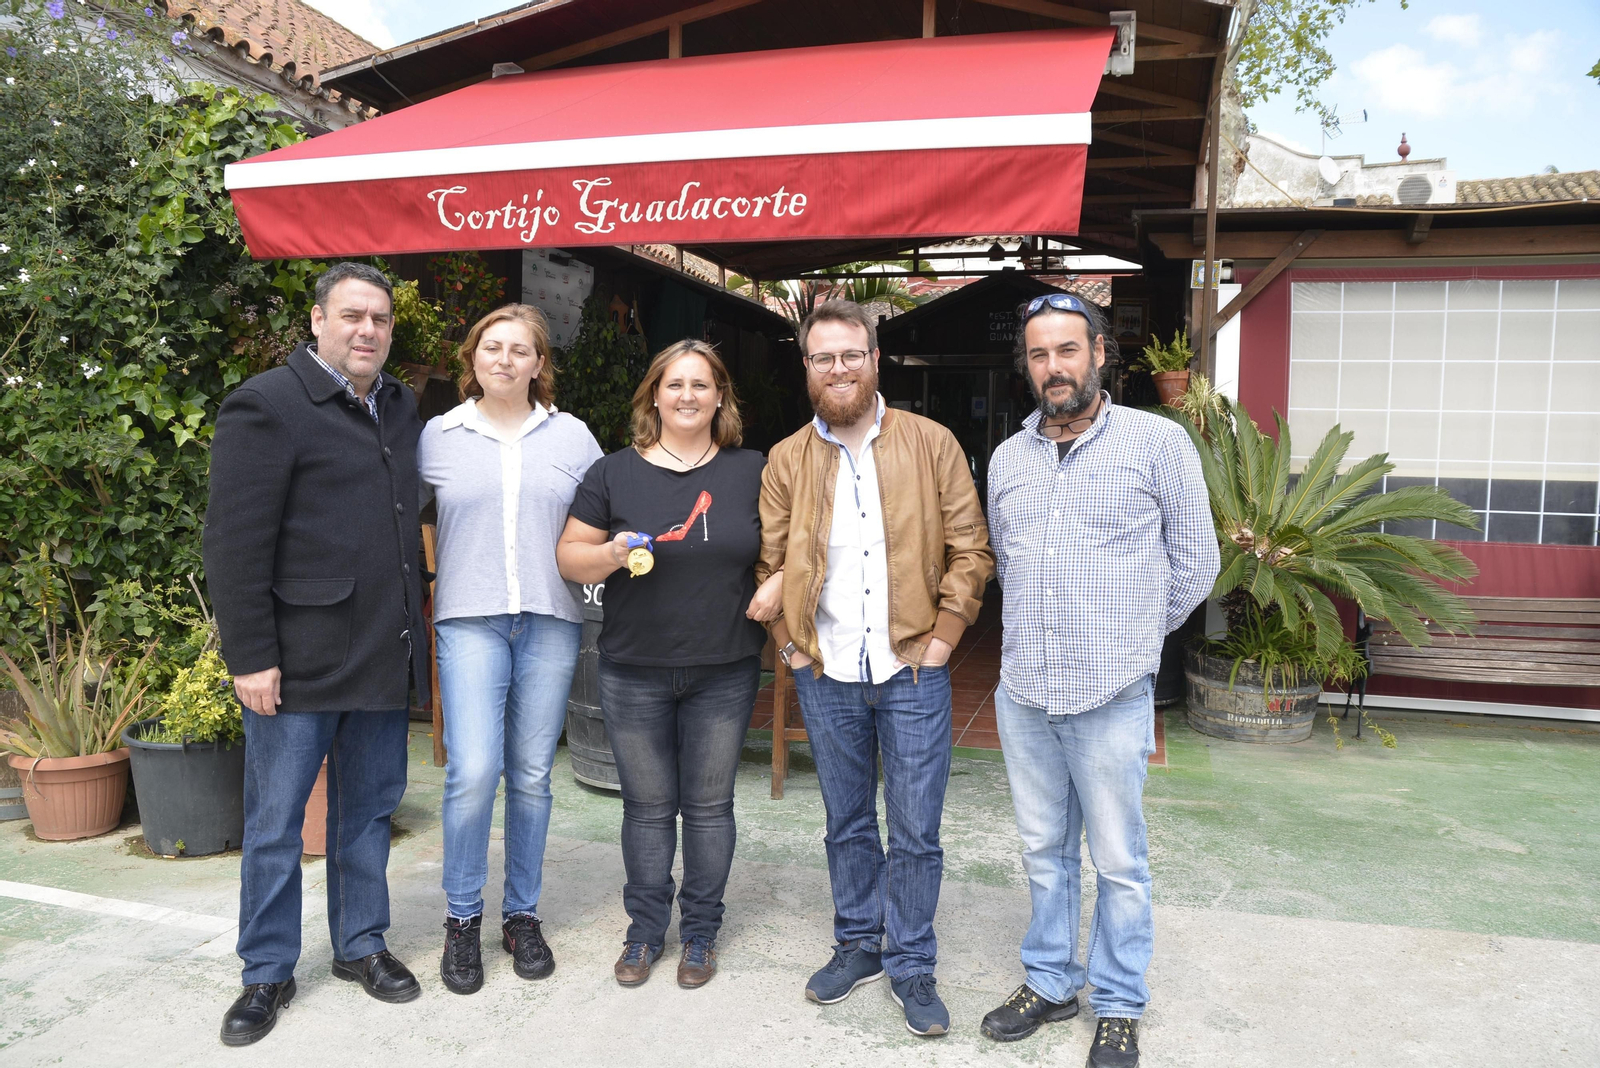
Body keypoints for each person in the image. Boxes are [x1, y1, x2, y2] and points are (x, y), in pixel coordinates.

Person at [979, 293, 1218, 1067]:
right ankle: (1051, 982)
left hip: (1111, 693)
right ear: (1028, 366)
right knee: (1043, 850)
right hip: (1026, 692)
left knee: (1119, 862)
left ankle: (1117, 1003)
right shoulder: (1009, 459)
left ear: (1100, 353)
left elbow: (1198, 562)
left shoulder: (1158, 443)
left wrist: (1132, 642)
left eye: (1067, 350)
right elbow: (1008, 562)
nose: (1054, 367)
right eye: (1040, 354)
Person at [750, 299, 994, 1038]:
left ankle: (911, 961)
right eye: (823, 357)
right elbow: (770, 566)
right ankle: (858, 943)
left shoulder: (931, 442)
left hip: (913, 667)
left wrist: (944, 640)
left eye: (851, 354)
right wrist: (794, 653)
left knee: (916, 828)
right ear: (807, 367)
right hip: (826, 671)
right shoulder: (787, 458)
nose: (839, 369)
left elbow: (970, 549)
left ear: (875, 359)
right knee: (847, 820)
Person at [204, 261, 428, 1047]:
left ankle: (361, 943)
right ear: (317, 320)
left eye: (381, 319)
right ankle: (266, 970)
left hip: (380, 650)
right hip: (295, 661)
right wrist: (250, 656)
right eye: (353, 315)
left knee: (367, 812)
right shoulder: (267, 404)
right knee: (275, 823)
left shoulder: (400, 406)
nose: (368, 330)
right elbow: (234, 544)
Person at [555, 339, 767, 990]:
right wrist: (612, 554)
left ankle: (700, 933)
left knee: (709, 807)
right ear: (654, 395)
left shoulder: (753, 470)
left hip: (725, 666)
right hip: (633, 667)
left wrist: (783, 583)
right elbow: (569, 556)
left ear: (720, 397)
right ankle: (645, 931)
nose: (687, 396)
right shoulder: (613, 473)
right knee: (646, 809)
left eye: (701, 385)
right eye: (674, 384)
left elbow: (790, 546)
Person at [419, 304, 602, 995]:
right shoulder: (439, 436)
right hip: (469, 620)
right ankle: (462, 918)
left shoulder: (572, 436)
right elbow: (395, 517)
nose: (504, 359)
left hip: (551, 620)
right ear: (473, 358)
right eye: (491, 347)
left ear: (538, 364)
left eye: (519, 350)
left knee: (530, 774)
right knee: (472, 771)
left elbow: (601, 518)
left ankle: (521, 914)